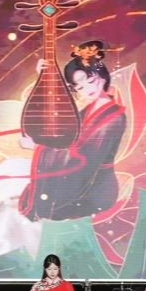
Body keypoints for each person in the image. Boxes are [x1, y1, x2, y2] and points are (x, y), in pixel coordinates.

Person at [19, 45, 127, 221]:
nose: (87, 89)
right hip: (79, 179)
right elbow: (63, 130)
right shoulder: (90, 109)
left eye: (90, 81)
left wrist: (37, 148)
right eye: (80, 87)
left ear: (102, 76)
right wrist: (44, 78)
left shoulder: (113, 118)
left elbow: (84, 158)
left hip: (92, 189)